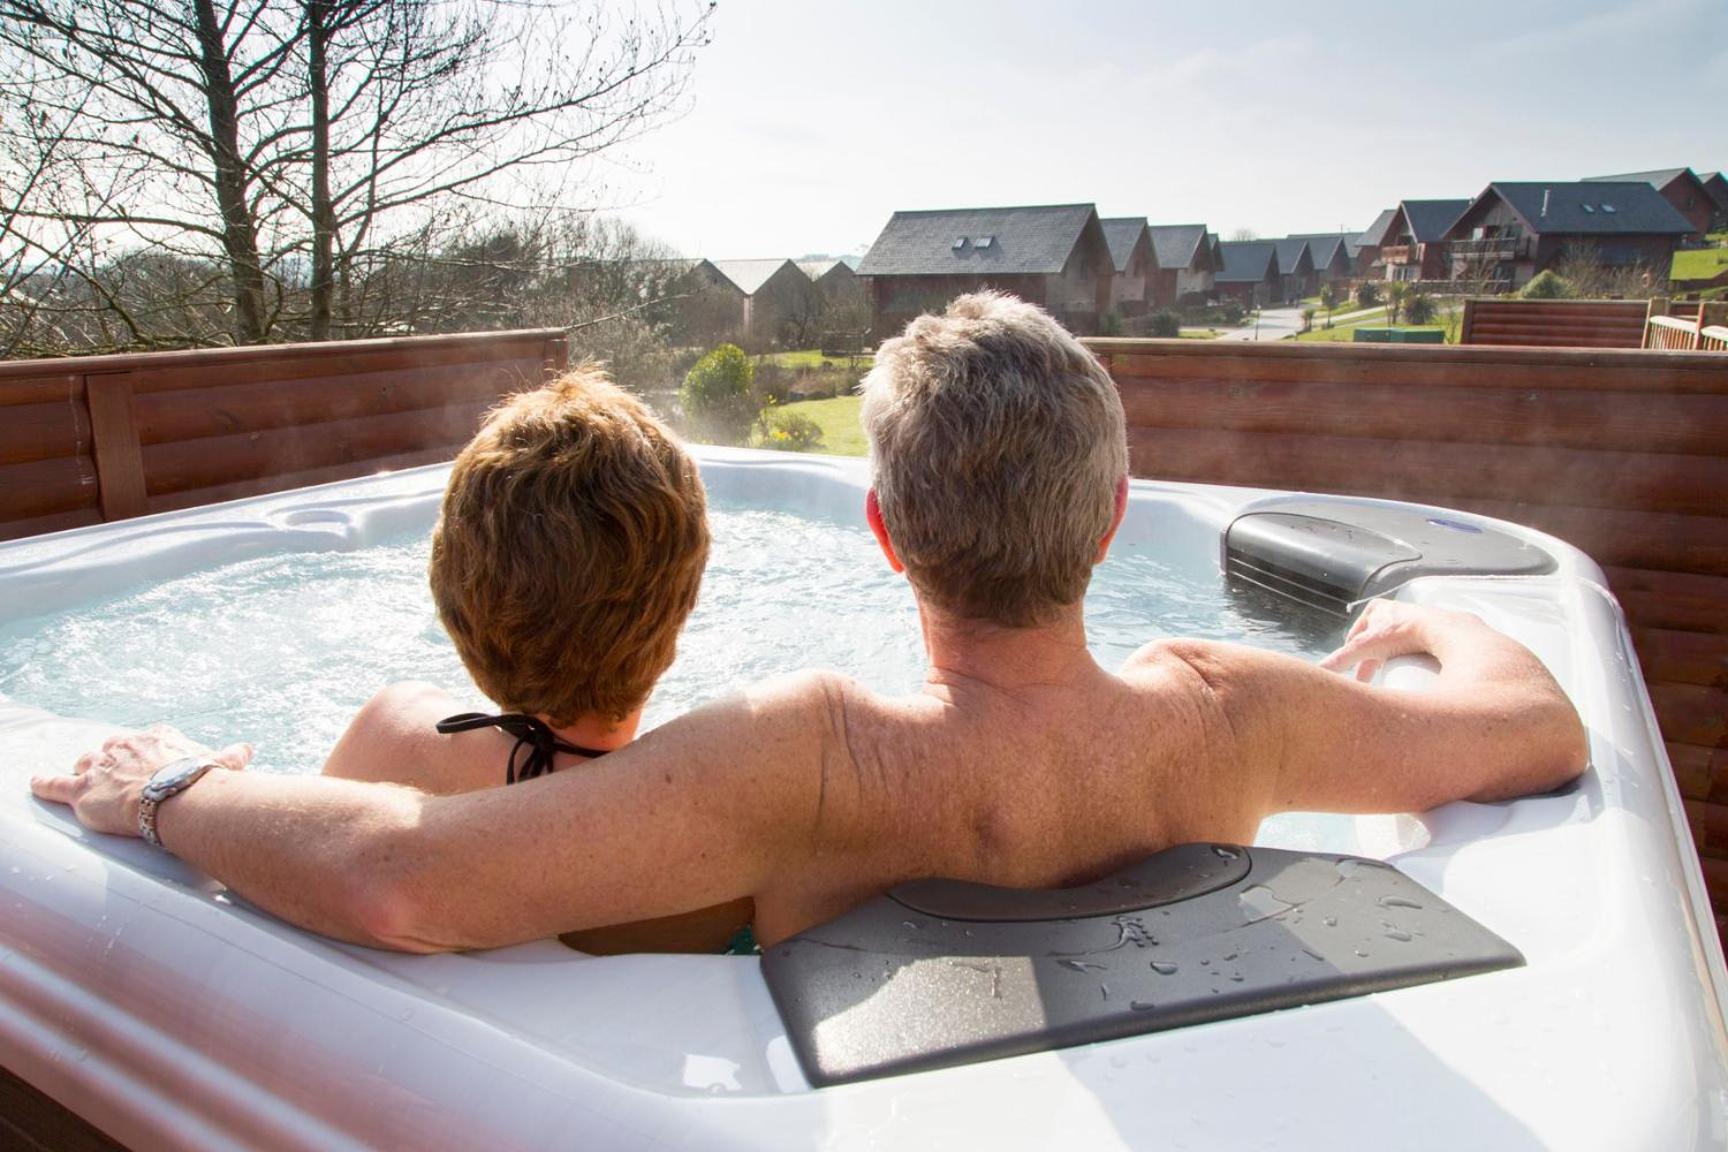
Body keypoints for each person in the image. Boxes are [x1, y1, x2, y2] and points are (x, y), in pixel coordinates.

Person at [33, 293, 1588, 954]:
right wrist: (1424, 619)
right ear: (1113, 523)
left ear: (885, 534)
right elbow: (1538, 725)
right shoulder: (1237, 711)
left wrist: (170, 788)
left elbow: (395, 884)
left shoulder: (816, 758)